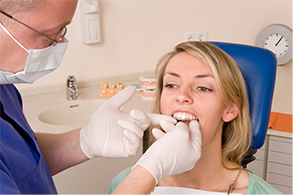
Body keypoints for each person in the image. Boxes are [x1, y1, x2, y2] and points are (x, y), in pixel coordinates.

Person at [0, 1, 202, 194]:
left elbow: (20, 159)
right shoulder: (120, 182)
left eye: (203, 88)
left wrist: (83, 141)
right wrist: (150, 169)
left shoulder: (5, 87)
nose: (60, 43)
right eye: (51, 34)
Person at [109, 41, 284, 194]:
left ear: (230, 109)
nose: (182, 95)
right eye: (171, 85)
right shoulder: (125, 183)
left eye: (203, 88)